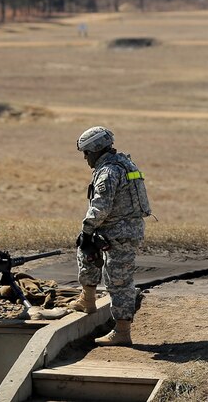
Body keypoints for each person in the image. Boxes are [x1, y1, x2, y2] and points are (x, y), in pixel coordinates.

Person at [74, 125, 152, 346]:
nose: (86, 158)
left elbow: (100, 208)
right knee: (85, 252)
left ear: (96, 150)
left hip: (120, 233)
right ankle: (87, 300)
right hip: (118, 229)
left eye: (86, 153)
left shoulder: (108, 172)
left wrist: (86, 230)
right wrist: (87, 236)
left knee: (118, 281)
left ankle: (122, 332)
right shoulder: (124, 163)